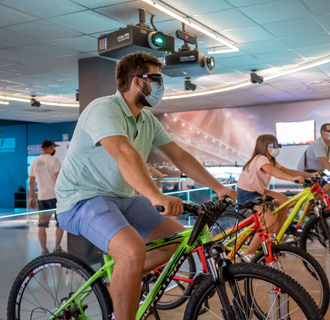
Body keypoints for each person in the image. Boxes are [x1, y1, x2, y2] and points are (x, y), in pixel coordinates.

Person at [54, 52, 236, 320]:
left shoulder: (146, 120)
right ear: (138, 81)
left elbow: (180, 156)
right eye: (157, 79)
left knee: (179, 242)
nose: (162, 86)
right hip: (82, 199)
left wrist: (218, 187)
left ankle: (120, 279)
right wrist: (154, 194)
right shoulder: (104, 109)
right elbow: (125, 153)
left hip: (123, 198)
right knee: (131, 250)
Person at [237, 134, 317, 260]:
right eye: (273, 145)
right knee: (269, 222)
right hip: (247, 194)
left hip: (258, 191)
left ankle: (275, 239)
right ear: (264, 146)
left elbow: (288, 171)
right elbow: (273, 172)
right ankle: (247, 254)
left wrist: (309, 175)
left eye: (277, 145)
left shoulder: (271, 160)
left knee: (284, 201)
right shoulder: (261, 158)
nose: (277, 148)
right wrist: (292, 179)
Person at [29, 140, 64, 255]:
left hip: (42, 197)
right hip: (55, 197)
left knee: (42, 225)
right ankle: (57, 248)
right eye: (53, 148)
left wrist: (31, 198)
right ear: (50, 148)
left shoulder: (35, 162)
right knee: (61, 223)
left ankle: (44, 251)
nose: (54, 150)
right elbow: (59, 180)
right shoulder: (55, 161)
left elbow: (31, 182)